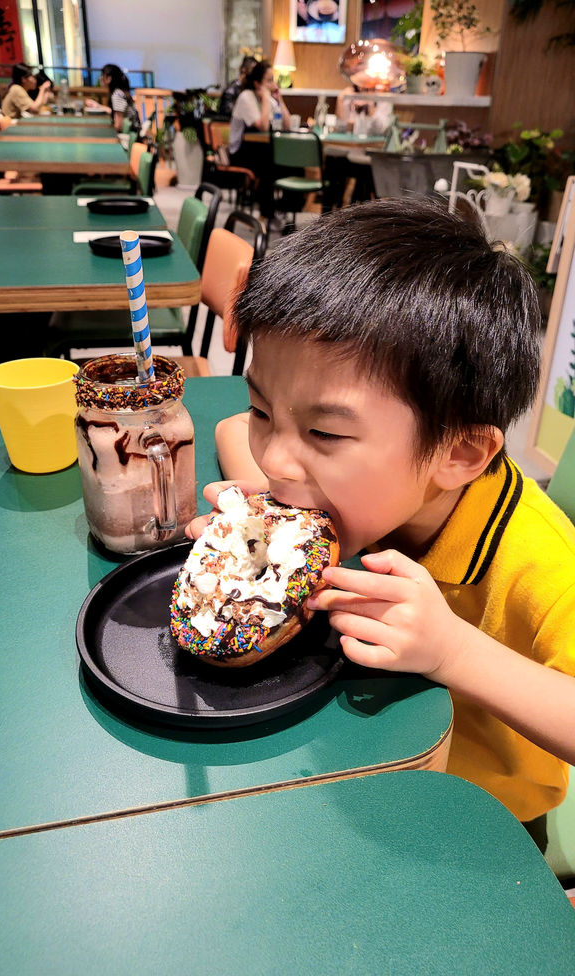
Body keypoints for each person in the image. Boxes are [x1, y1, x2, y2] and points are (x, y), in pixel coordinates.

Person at [187, 199, 575, 846]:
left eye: (322, 432)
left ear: (458, 453)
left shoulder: (542, 562)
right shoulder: (364, 494)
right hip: (355, 762)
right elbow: (230, 431)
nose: (277, 453)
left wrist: (452, 649)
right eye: (264, 408)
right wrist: (258, 512)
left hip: (480, 821)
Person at [228, 59, 291, 218]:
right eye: (268, 81)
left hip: (260, 150)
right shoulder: (246, 97)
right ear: (257, 83)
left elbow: (287, 124)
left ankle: (284, 206)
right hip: (239, 153)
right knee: (270, 161)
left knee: (292, 162)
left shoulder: (269, 99)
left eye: (273, 80)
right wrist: (265, 98)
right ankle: (268, 211)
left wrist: (279, 100)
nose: (273, 85)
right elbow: (263, 126)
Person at [85, 64, 140, 133]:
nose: (100, 78)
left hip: (127, 135)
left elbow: (118, 125)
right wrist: (98, 106)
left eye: (102, 75)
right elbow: (116, 112)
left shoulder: (117, 95)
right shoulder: (119, 92)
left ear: (109, 78)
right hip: (131, 132)